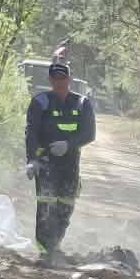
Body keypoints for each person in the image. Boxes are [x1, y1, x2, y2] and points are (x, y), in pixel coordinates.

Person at [24, 56, 96, 260]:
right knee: (46, 202)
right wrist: (32, 160)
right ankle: (45, 249)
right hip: (45, 161)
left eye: (62, 78)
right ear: (50, 80)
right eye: (55, 79)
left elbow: (90, 134)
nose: (59, 82)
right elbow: (31, 132)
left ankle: (55, 244)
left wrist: (68, 145)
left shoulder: (82, 103)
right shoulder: (40, 102)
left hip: (70, 163)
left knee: (66, 204)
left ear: (69, 79)